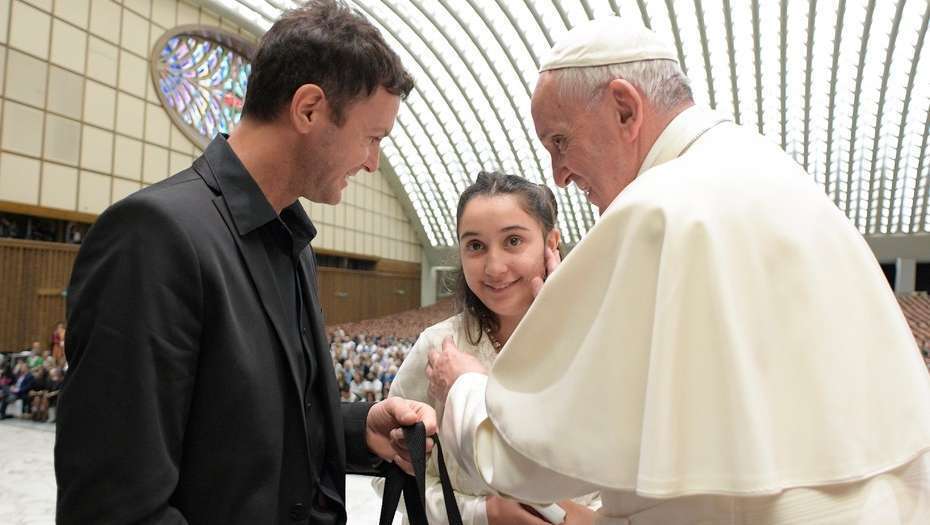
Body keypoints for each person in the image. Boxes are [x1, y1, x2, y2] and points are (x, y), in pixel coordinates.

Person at [427, 17, 930, 524]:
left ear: (625, 109)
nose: (558, 174)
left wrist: (468, 391)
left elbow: (534, 459)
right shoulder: (769, 169)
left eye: (560, 141)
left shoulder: (657, 210)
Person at [55, 1, 436, 524]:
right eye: (372, 138)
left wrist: (361, 427)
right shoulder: (156, 236)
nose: (372, 162)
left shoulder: (289, 239)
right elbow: (115, 504)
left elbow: (244, 430)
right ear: (308, 110)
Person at [381, 172, 599, 525]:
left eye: (513, 241)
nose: (495, 268)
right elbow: (391, 474)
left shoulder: (594, 342)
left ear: (551, 242)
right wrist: (482, 513)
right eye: (476, 246)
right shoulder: (439, 348)